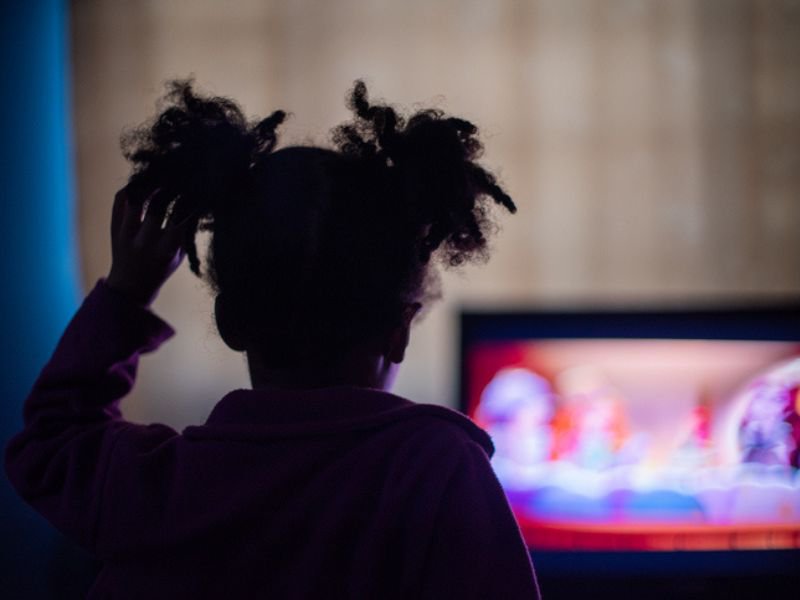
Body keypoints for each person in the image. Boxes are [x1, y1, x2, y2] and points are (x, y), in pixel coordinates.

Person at [5, 80, 540, 599]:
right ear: (398, 332)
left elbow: (52, 437)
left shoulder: (156, 484)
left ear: (229, 321)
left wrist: (126, 293)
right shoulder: (437, 470)